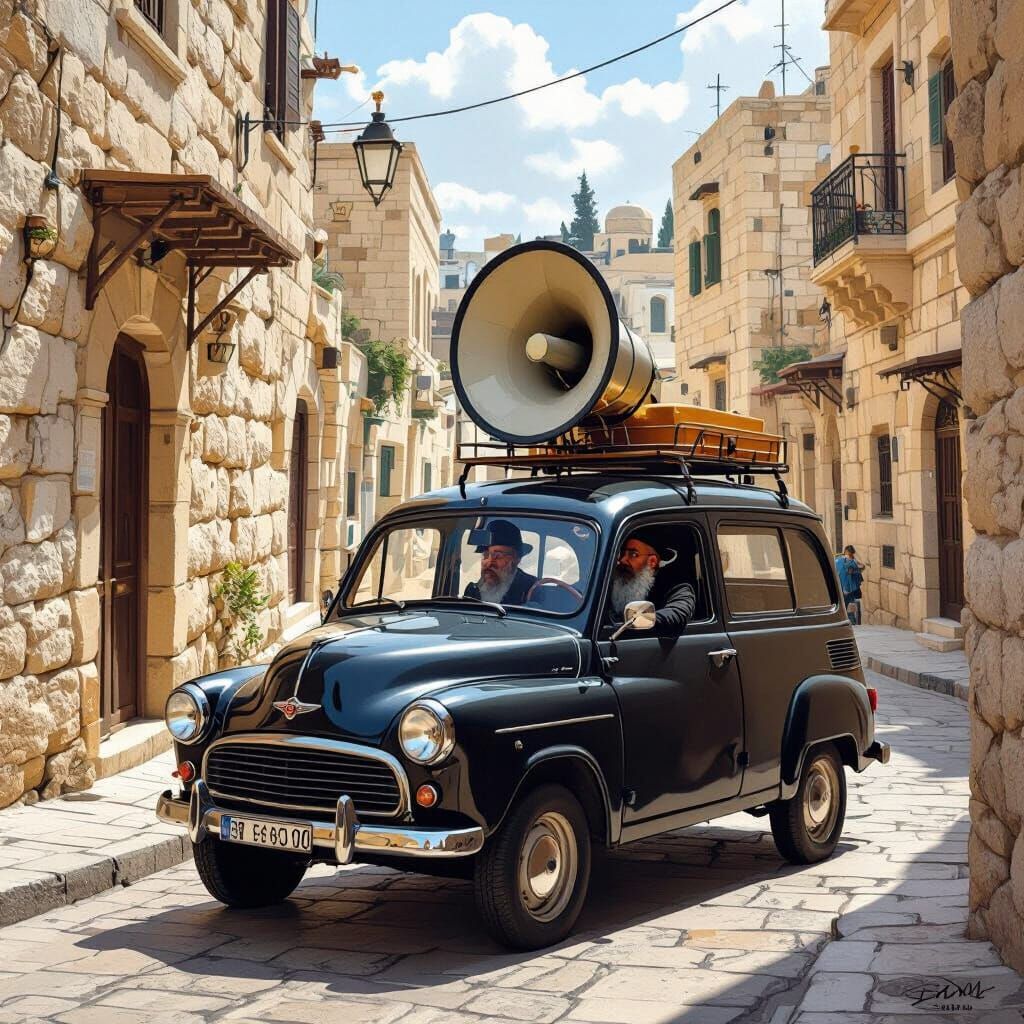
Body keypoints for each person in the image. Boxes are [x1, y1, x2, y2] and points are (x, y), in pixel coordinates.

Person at [609, 533, 695, 634]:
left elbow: (678, 612)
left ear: (652, 561)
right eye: (622, 554)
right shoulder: (612, 583)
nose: (622, 560)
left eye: (633, 555)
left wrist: (641, 618)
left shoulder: (675, 585)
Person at [464, 520, 537, 605]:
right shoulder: (472, 591)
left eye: (498, 556)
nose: (490, 563)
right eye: (485, 555)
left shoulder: (532, 590)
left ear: (516, 559)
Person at [834, 545, 865, 624]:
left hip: (840, 587)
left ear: (845, 551)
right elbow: (862, 567)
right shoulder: (852, 562)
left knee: (842, 605)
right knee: (850, 606)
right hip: (850, 589)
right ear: (852, 553)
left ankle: (844, 620)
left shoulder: (838, 560)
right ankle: (852, 622)